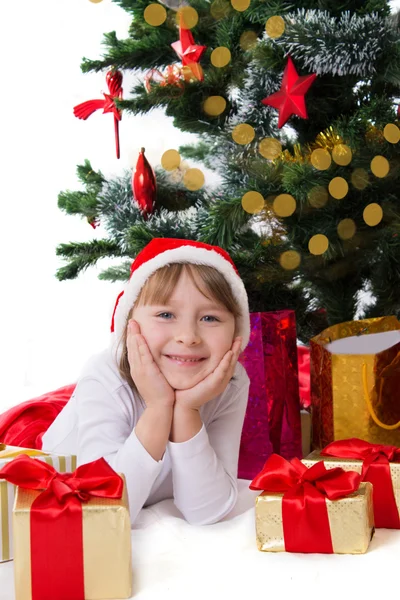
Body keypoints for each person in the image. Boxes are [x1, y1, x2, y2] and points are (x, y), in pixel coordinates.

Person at [19, 238, 251, 526]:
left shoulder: (231, 381)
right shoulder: (104, 376)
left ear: (236, 331)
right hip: (57, 481)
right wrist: (158, 407)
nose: (188, 336)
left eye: (210, 318)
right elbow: (103, 510)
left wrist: (187, 410)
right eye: (166, 314)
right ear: (130, 324)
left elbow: (208, 510)